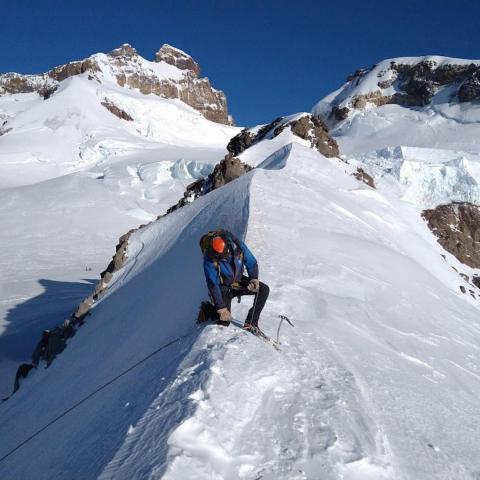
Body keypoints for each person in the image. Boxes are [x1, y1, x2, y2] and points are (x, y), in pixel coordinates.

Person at [198, 229, 269, 329]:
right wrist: (221, 309)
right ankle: (207, 309)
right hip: (222, 287)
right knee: (224, 322)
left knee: (263, 290)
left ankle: (251, 323)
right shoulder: (209, 258)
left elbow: (251, 263)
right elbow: (213, 284)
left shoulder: (238, 247)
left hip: (237, 282)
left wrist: (254, 279)